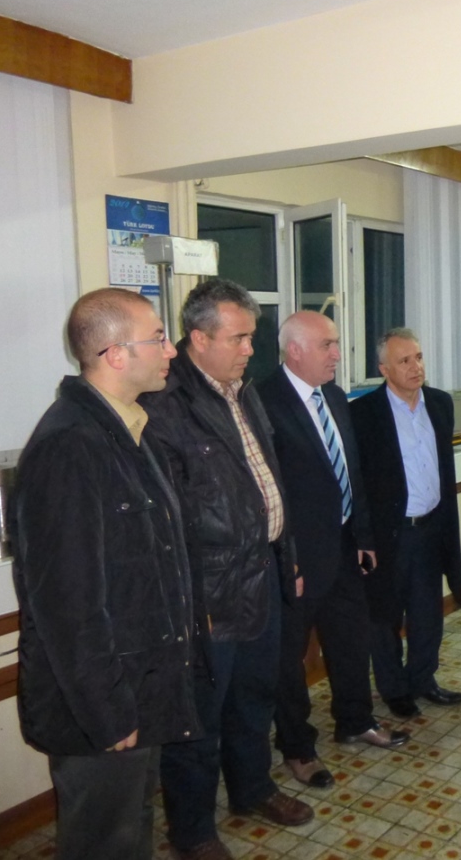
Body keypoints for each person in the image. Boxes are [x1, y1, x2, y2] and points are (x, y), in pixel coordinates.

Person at [11, 288, 196, 860]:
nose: (171, 349)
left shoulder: (129, 429)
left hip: (139, 685)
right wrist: (108, 712)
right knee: (103, 842)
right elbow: (67, 604)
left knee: (132, 827)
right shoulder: (70, 446)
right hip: (99, 706)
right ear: (115, 354)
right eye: (158, 338)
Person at [141, 280, 312, 860]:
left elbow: (268, 482)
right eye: (238, 338)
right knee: (198, 716)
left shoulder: (243, 391)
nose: (249, 349)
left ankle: (252, 789)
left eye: (251, 337)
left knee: (255, 696)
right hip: (208, 590)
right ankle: (192, 831)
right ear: (198, 337)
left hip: (261, 572)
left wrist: (287, 556)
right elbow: (168, 517)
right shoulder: (165, 405)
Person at [258, 310, 409, 769]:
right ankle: (297, 746)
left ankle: (355, 720)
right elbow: (268, 491)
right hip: (297, 556)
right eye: (327, 345)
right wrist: (287, 558)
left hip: (344, 547)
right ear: (294, 350)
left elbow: (351, 472)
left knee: (351, 640)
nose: (338, 354)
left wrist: (363, 536)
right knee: (290, 658)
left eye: (337, 344)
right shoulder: (263, 401)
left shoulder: (336, 397)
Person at [349, 328, 461, 718]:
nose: (416, 367)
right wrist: (364, 538)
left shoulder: (440, 403)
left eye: (418, 357)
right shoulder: (364, 414)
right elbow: (357, 483)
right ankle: (394, 689)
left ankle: (423, 679)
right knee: (384, 615)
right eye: (404, 361)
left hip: (432, 527)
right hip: (390, 534)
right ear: (384, 369)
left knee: (428, 612)